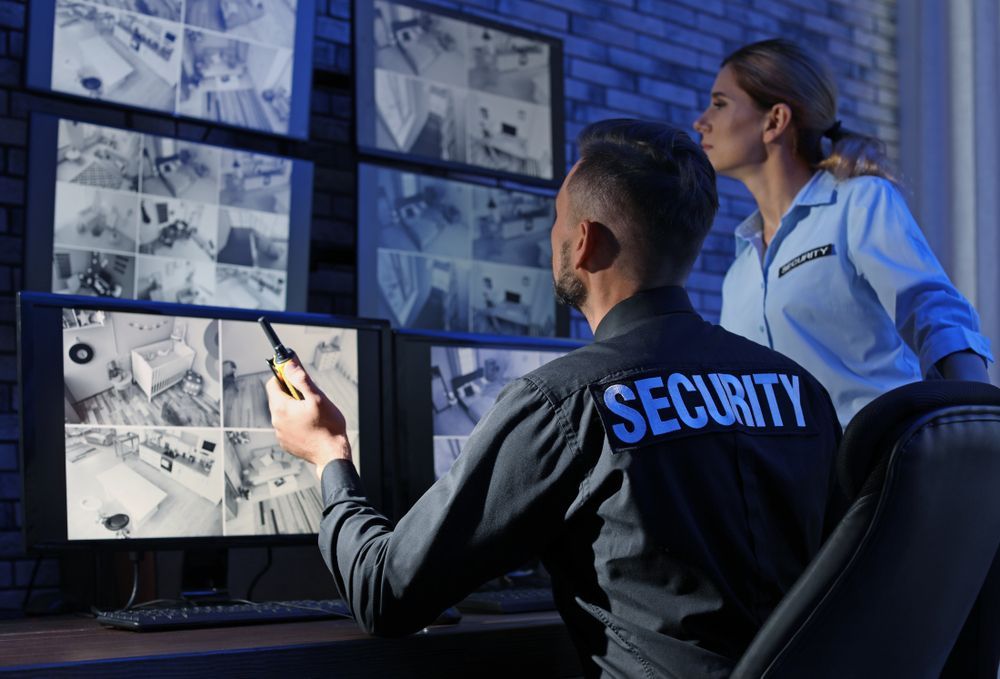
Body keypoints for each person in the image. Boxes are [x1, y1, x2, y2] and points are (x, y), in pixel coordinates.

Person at [266, 119, 843, 677]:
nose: (552, 236)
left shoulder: (563, 403)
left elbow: (386, 594)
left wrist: (328, 456)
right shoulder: (802, 392)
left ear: (585, 242)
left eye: (557, 219)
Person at [693, 38, 993, 427]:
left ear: (775, 121)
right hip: (787, 482)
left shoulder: (859, 203)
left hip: (881, 472)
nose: (701, 121)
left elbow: (933, 311)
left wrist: (981, 426)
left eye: (719, 103)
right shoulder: (740, 271)